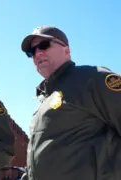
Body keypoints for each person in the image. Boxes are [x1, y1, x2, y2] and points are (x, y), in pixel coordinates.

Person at [20, 26, 121, 180]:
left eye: (44, 45)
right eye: (31, 52)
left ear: (66, 50)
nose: (37, 53)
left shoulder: (92, 78)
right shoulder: (43, 101)